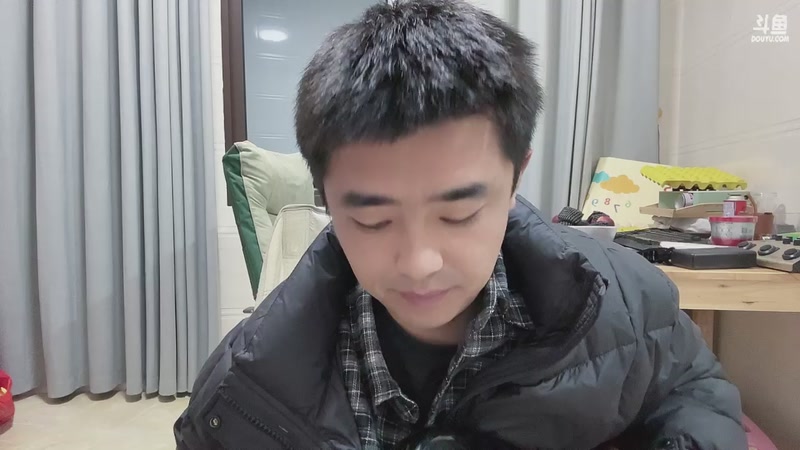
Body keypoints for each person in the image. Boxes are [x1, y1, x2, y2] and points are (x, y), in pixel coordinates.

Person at [174, 1, 747, 449]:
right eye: (372, 219)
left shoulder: (624, 301)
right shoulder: (243, 392)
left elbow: (693, 387)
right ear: (325, 197)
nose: (420, 262)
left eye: (460, 214)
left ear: (516, 177)